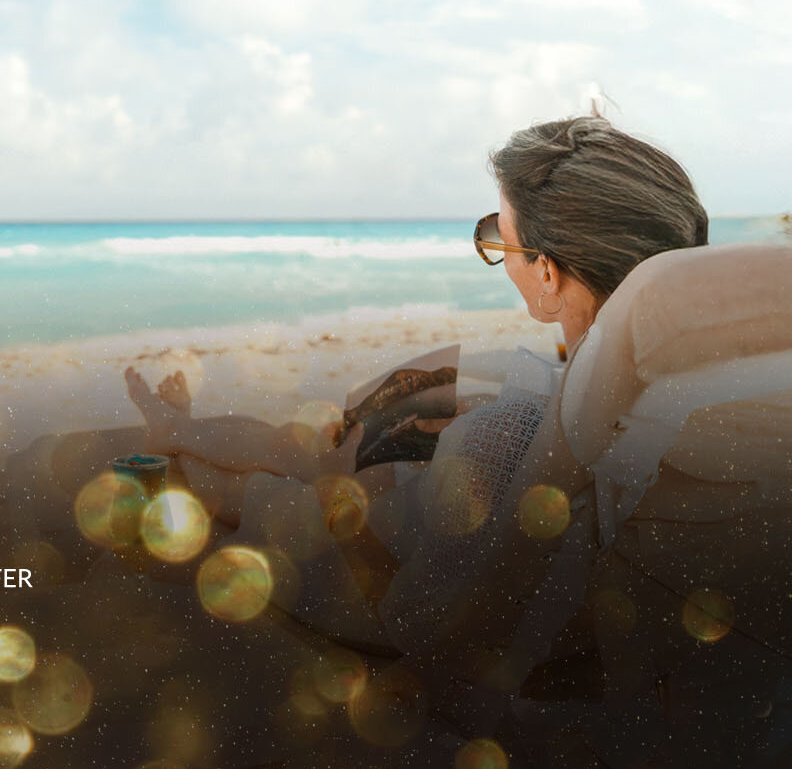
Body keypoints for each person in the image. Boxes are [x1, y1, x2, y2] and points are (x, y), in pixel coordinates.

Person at [126, 114, 710, 555]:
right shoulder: (713, 385)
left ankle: (177, 445)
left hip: (432, 538)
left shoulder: (500, 441)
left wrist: (457, 444)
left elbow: (422, 608)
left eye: (496, 235)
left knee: (322, 462)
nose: (496, 251)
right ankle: (186, 431)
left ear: (549, 274)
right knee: (381, 412)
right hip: (547, 433)